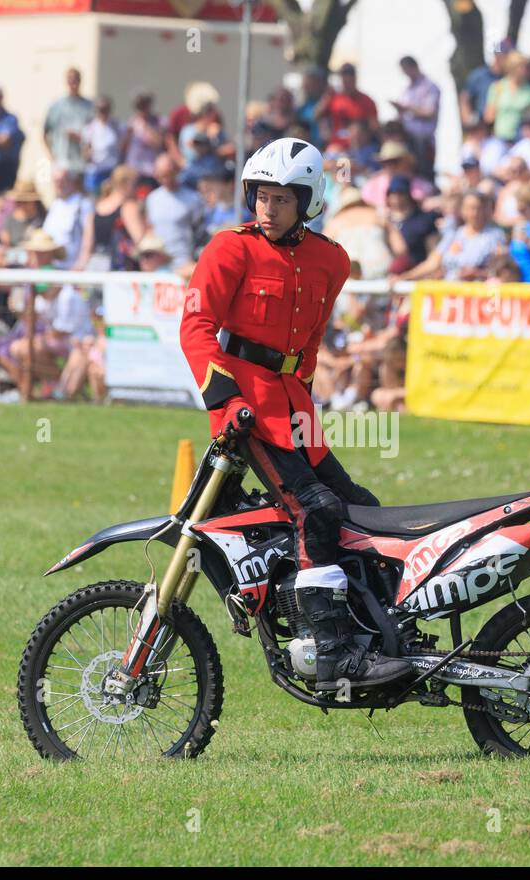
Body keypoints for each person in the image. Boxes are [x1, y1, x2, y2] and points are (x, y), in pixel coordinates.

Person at [178, 136, 410, 692]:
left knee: (362, 509)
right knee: (317, 511)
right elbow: (196, 328)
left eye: (281, 198)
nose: (267, 207)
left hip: (296, 408)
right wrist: (226, 399)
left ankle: (376, 631)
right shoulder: (230, 249)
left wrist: (304, 395)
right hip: (247, 409)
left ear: (307, 201)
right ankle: (331, 654)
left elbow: (310, 340)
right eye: (260, 195)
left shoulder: (331, 259)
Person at [44, 67, 95, 176]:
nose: (73, 83)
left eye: (75, 80)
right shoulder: (56, 106)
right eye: (70, 80)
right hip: (62, 161)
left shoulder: (89, 106)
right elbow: (45, 132)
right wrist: (51, 154)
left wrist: (81, 138)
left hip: (81, 163)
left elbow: (95, 133)